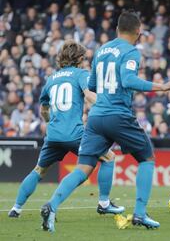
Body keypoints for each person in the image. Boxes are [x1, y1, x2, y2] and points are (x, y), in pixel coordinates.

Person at [40, 10, 170, 232]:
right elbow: (128, 80)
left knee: (83, 169)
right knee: (147, 158)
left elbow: (94, 86)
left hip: (96, 117)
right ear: (138, 32)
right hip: (118, 115)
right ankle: (140, 214)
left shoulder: (101, 50)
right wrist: (161, 86)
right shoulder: (131, 51)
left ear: (117, 30)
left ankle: (52, 205)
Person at [8, 40, 123, 218]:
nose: (84, 61)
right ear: (78, 59)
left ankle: (16, 208)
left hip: (53, 135)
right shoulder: (81, 74)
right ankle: (104, 203)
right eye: (83, 58)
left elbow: (43, 110)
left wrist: (49, 122)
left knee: (39, 170)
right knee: (108, 157)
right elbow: (89, 95)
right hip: (74, 133)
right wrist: (107, 105)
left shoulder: (51, 79)